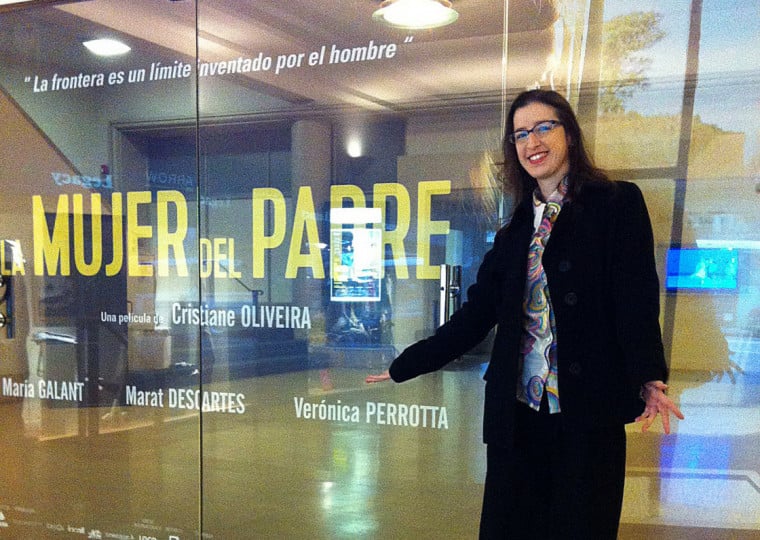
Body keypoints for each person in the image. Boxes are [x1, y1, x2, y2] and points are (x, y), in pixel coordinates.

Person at [366, 89, 684, 539]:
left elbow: (634, 295)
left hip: (586, 414)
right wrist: (406, 364)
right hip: (517, 417)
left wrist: (648, 374)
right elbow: (475, 316)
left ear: (569, 134)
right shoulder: (515, 230)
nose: (531, 141)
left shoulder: (616, 203)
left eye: (542, 127)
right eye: (519, 135)